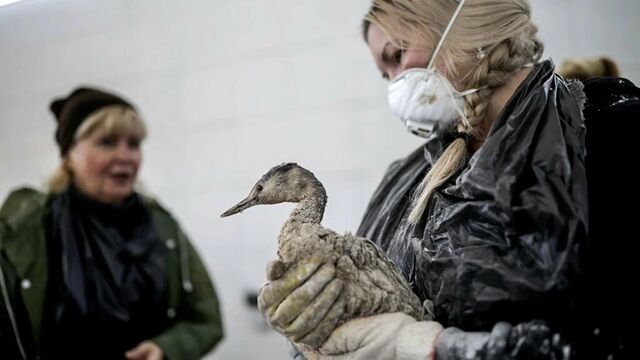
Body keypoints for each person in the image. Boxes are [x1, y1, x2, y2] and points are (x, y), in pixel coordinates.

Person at [255, 0, 638, 359]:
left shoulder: (607, 133)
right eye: (385, 74)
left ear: (463, 24)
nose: (395, 85)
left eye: (397, 55)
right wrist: (328, 325)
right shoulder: (405, 180)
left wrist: (424, 345)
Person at [0, 87, 224, 360]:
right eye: (107, 142)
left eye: (134, 144)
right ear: (69, 154)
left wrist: (166, 347)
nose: (126, 156)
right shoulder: (26, 228)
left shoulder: (162, 227)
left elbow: (206, 319)